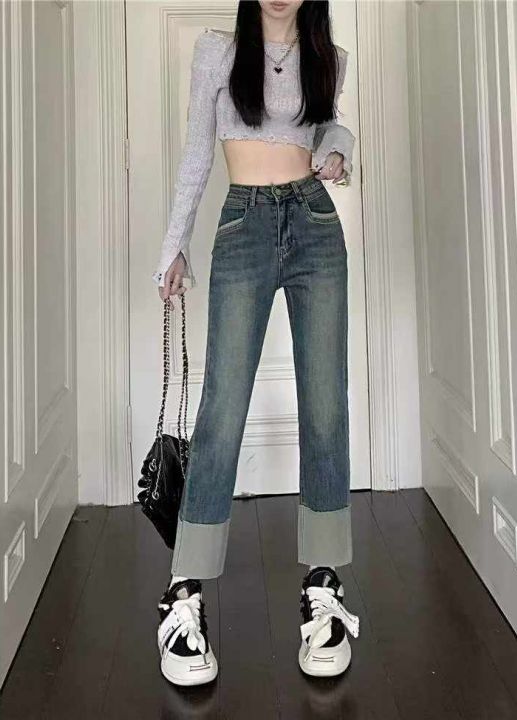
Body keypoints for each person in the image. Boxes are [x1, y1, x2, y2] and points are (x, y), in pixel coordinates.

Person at [152, 0, 360, 686]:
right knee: (221, 410)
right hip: (243, 225)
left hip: (315, 226)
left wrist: (339, 149)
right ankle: (183, 593)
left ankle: (323, 587)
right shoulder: (217, 51)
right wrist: (174, 246)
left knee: (325, 405)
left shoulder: (327, 56)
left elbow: (329, 126)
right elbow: (195, 151)